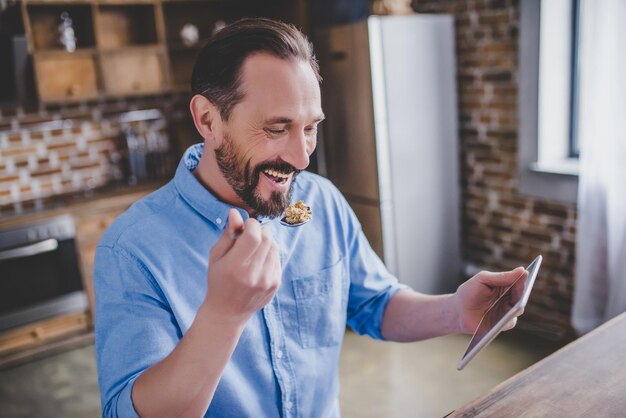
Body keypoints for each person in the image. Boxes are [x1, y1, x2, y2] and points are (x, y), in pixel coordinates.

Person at [94, 18, 526, 418]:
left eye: (310, 127)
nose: (301, 157)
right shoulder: (131, 249)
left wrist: (455, 311)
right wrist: (222, 315)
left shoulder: (322, 202)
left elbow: (376, 304)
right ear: (208, 119)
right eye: (277, 129)